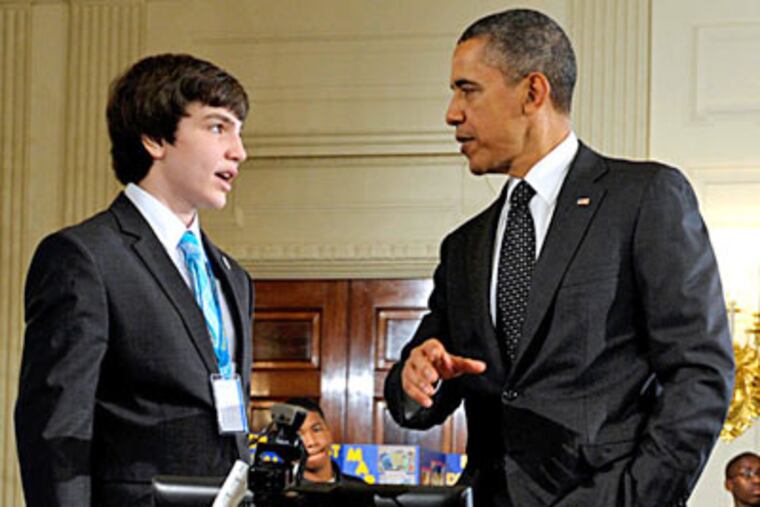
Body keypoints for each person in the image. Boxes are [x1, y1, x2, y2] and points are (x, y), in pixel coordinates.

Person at [383, 8, 735, 507]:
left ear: (533, 92)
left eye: (468, 89)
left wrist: (634, 499)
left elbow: (700, 373)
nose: (451, 112)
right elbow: (412, 401)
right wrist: (416, 378)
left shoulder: (644, 198)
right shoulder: (463, 247)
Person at [15, 54, 253, 506]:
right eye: (218, 127)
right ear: (155, 138)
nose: (239, 151)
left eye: (239, 131)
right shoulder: (84, 257)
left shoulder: (233, 276)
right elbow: (57, 433)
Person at [284, 397, 365, 484]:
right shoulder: (281, 494)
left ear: (329, 432)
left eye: (316, 430)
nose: (311, 442)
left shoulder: (357, 490)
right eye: (299, 435)